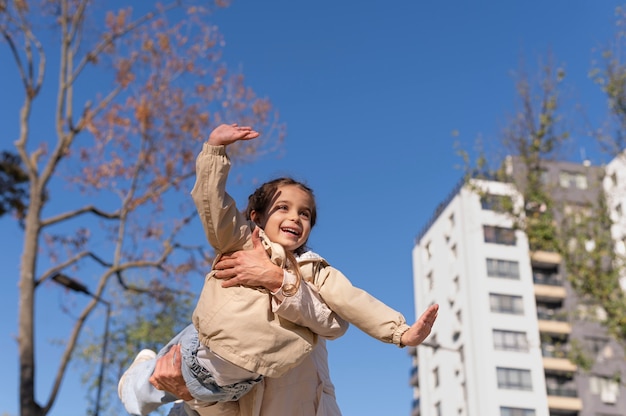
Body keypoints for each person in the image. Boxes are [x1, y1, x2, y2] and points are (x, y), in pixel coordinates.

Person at [118, 124, 439, 415]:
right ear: (256, 216)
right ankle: (137, 376)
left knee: (192, 390)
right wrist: (214, 151)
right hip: (209, 346)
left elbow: (351, 303)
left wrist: (400, 332)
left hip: (243, 375)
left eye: (305, 214)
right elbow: (214, 209)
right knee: (154, 382)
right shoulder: (241, 242)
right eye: (283, 208)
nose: (296, 218)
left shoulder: (313, 270)